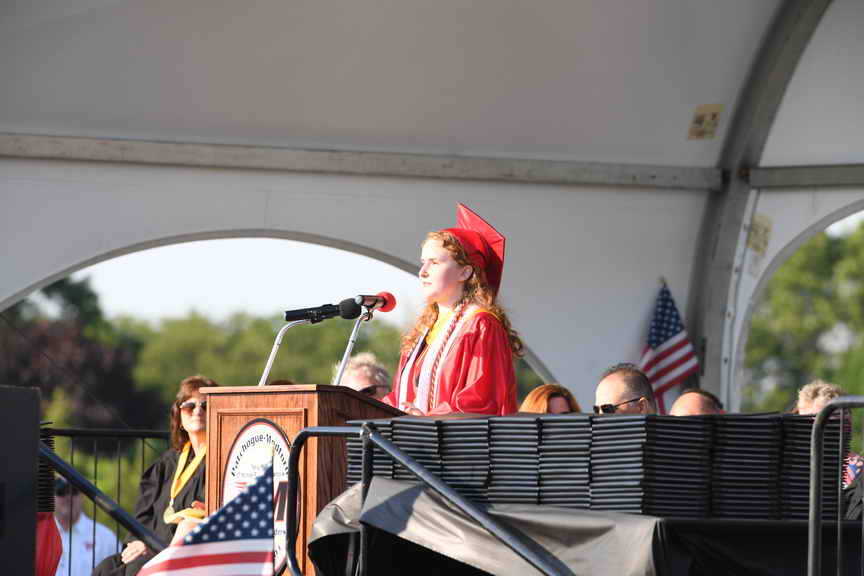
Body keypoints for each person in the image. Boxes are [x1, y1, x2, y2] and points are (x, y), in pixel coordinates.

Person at [384, 204, 520, 416]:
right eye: (423, 262)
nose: (422, 272)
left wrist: (426, 419)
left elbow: (480, 403)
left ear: (464, 273)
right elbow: (399, 398)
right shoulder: (424, 331)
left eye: (434, 262)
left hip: (454, 437)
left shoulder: (481, 326)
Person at [94, 375, 216, 575]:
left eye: (205, 406)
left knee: (135, 569)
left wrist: (152, 545)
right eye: (189, 406)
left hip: (178, 552)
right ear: (179, 417)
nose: (197, 411)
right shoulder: (166, 464)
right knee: (106, 567)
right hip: (147, 547)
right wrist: (138, 541)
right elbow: (143, 515)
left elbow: (201, 516)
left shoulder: (218, 461)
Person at [795, 379, 861, 485]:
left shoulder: (857, 471)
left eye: (821, 421)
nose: (812, 430)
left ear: (847, 422)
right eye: (805, 422)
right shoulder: (787, 468)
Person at [53, 476, 118, 576]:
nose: (68, 497)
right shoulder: (39, 535)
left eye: (74, 491)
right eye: (61, 491)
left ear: (83, 495)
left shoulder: (105, 537)